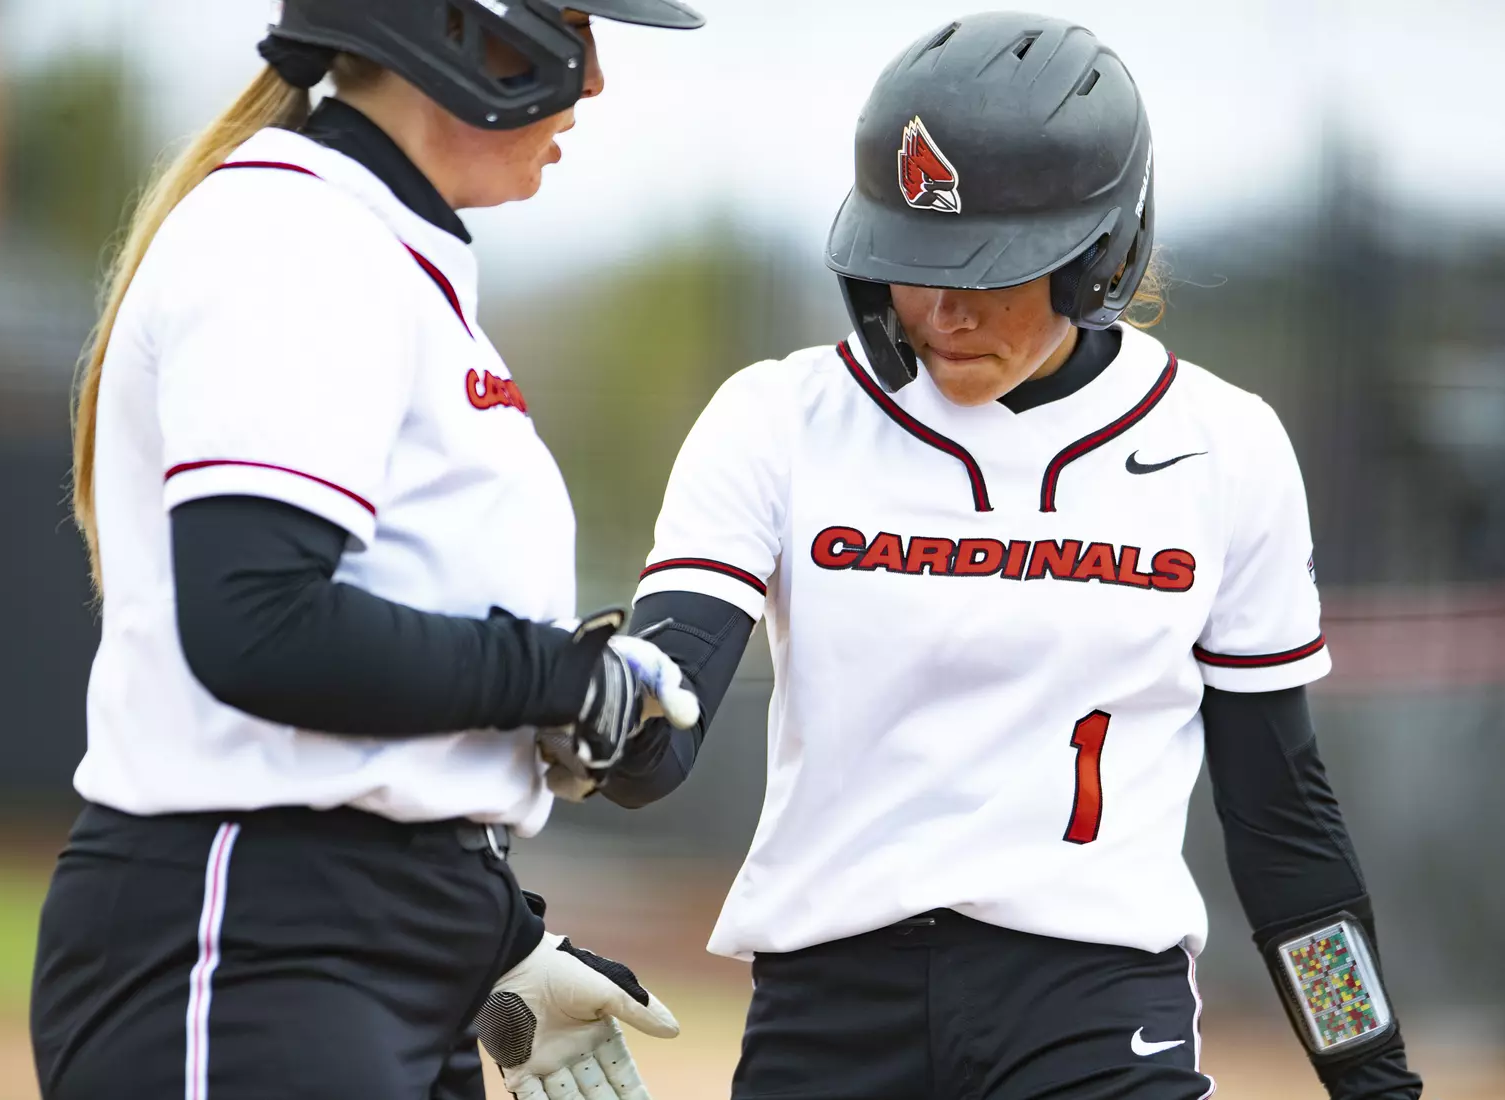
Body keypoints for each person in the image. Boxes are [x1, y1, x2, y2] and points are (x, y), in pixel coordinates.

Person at [607, 13, 1425, 1100]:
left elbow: (1283, 821)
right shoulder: (779, 418)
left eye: (990, 268)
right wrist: (591, 710)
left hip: (1096, 1013)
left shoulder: (1223, 445)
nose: (942, 310)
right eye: (911, 262)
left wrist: (1373, 1075)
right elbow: (656, 721)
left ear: (1104, 254)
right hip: (830, 1007)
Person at [28, 3, 706, 1099]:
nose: (593, 79)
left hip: (366, 948)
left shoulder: (384, 251)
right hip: (251, 938)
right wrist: (560, 677)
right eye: (571, 24)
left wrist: (489, 936)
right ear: (457, 25)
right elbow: (257, 624)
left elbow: (387, 716)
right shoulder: (290, 237)